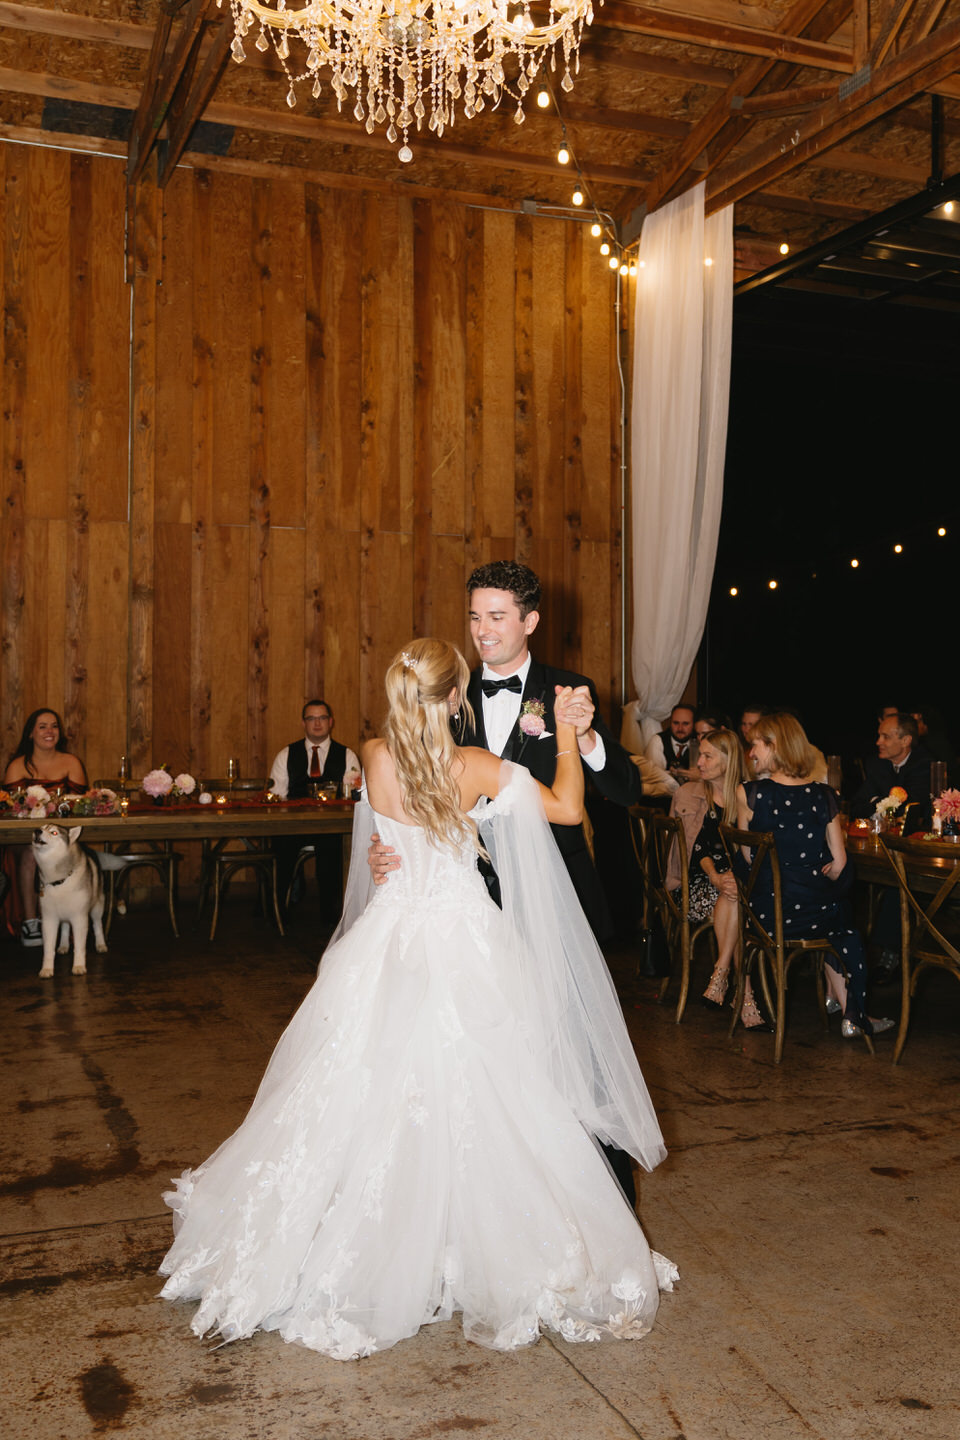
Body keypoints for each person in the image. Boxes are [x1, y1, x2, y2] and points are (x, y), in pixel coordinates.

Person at [159, 638, 676, 1358]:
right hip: (463, 935)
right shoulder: (469, 766)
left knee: (365, 1085)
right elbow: (563, 809)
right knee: (492, 1090)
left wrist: (384, 857)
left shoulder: (372, 755)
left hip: (393, 935)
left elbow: (380, 844)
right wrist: (562, 739)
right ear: (456, 698)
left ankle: (362, 1242)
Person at [741, 713, 893, 1040]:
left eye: (755, 744)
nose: (750, 752)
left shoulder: (749, 794)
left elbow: (747, 860)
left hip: (765, 917)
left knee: (835, 913)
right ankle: (853, 1012)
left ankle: (840, 1003)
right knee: (843, 921)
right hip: (813, 915)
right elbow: (839, 864)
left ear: (774, 746)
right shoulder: (824, 796)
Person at [665, 728, 770, 1030]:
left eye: (708, 756)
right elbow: (690, 849)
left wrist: (731, 880)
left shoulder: (749, 796)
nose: (700, 762)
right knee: (732, 900)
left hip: (738, 887)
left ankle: (721, 974)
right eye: (701, 755)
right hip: (694, 885)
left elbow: (756, 854)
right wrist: (715, 876)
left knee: (732, 897)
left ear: (729, 759)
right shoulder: (688, 793)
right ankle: (745, 995)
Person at [268, 700, 360, 922]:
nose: (317, 723)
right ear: (303, 723)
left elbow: (355, 794)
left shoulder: (347, 755)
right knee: (280, 847)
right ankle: (277, 910)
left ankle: (330, 915)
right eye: (311, 718)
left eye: (321, 718)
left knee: (331, 848)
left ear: (331, 722)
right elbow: (276, 796)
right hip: (292, 827)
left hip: (331, 828)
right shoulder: (286, 754)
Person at [3, 708, 87, 947]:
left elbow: (78, 806)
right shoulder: (18, 766)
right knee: (33, 853)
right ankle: (31, 922)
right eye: (42, 726)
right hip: (22, 838)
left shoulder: (71, 762)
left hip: (59, 835)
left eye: (54, 726)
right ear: (31, 733)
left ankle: (67, 918)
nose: (49, 732)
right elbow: (9, 811)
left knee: (61, 851)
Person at [645, 705, 698, 787]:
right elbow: (654, 777)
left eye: (685, 724)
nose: (680, 728)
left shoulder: (699, 741)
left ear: (694, 725)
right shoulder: (657, 741)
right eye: (676, 723)